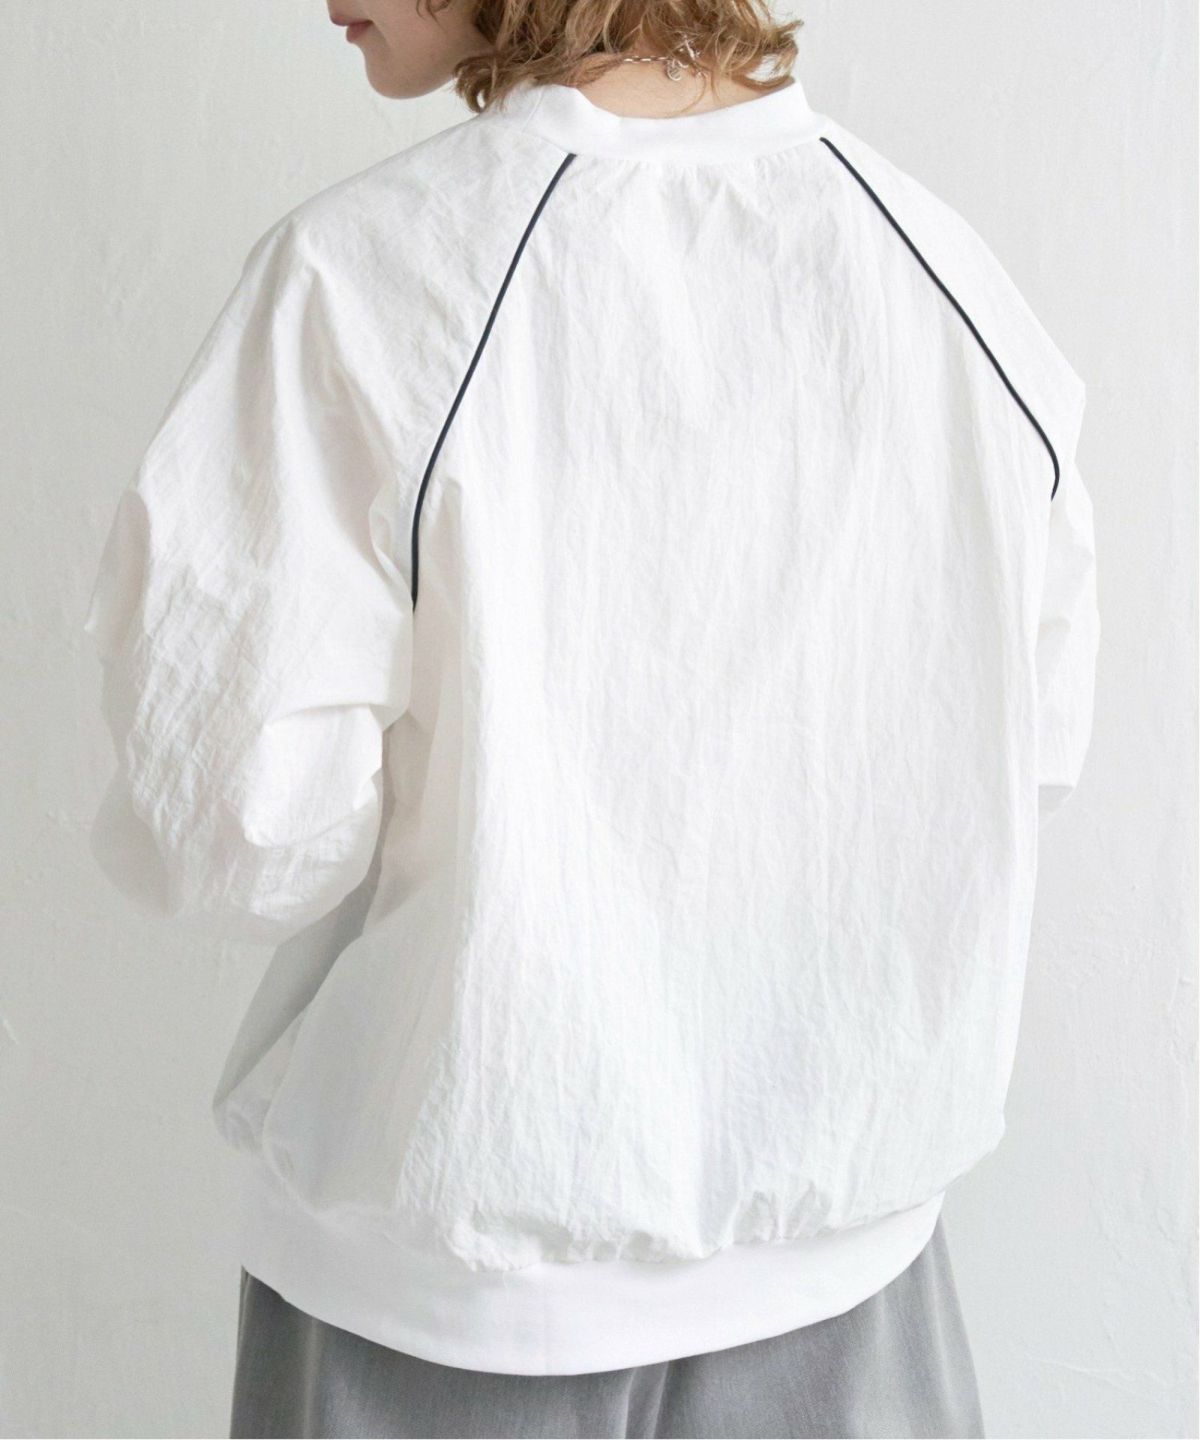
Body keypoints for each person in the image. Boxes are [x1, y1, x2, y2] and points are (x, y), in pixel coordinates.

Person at [81, 0, 1101, 1434]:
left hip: (448, 1318)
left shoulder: (363, 279)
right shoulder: (948, 278)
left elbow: (240, 835)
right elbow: (1023, 760)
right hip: (860, 1309)